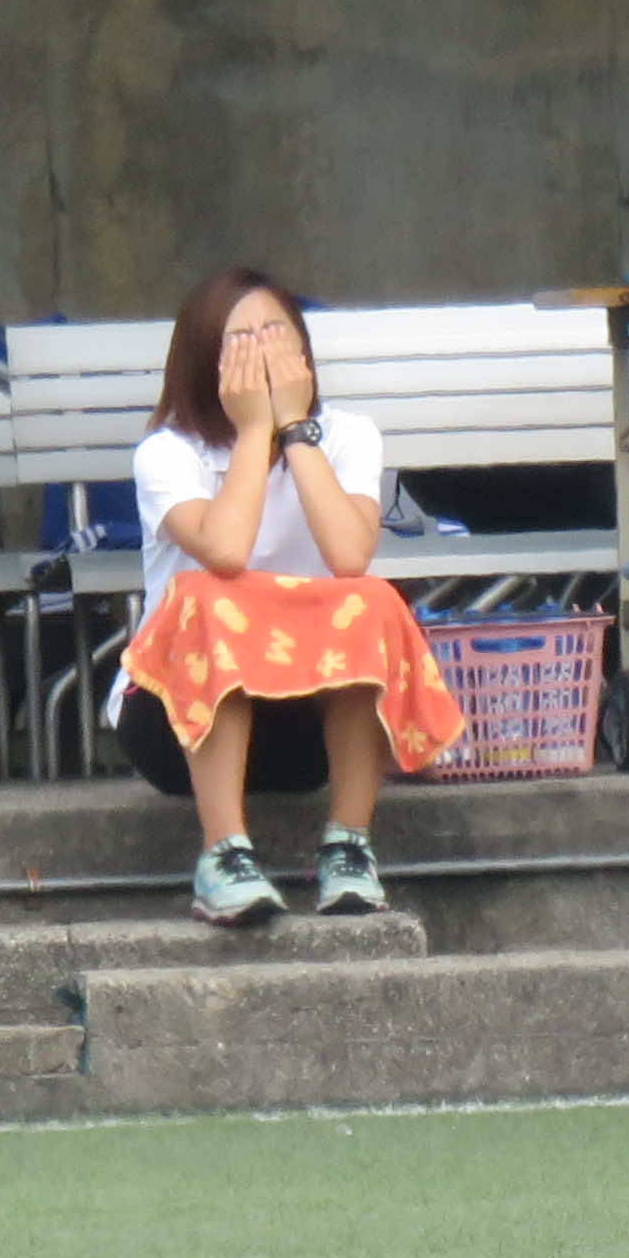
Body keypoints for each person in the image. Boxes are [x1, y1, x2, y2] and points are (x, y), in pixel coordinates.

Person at [112, 268, 469, 927]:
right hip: (176, 723)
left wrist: (296, 430)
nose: (262, 354)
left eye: (276, 334)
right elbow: (225, 551)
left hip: (307, 724)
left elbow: (349, 555)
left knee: (370, 600)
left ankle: (349, 847)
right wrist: (255, 431)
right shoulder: (168, 452)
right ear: (205, 359)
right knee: (213, 597)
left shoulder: (347, 435)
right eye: (240, 340)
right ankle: (222, 856)